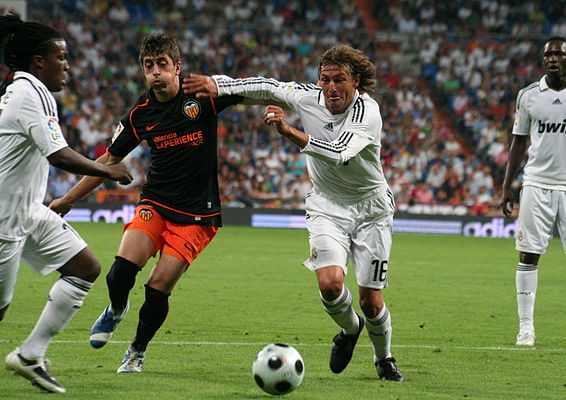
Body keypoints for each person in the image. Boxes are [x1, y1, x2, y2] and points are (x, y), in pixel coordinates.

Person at [183, 44, 404, 381]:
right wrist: (220, 85)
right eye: (325, 80)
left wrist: (289, 132)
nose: (331, 88)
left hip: (371, 210)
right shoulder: (308, 97)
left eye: (339, 80)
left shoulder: (367, 112)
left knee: (372, 301)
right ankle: (350, 328)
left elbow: (340, 153)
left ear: (355, 81)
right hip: (327, 206)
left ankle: (383, 357)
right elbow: (269, 86)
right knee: (330, 285)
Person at [49, 34, 244, 374]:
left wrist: (290, 102)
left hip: (198, 215)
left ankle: (137, 350)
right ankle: (116, 308)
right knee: (119, 272)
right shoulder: (140, 113)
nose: (155, 72)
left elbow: (253, 91)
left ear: (177, 67)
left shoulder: (203, 95)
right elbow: (108, 158)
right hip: (156, 201)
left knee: (157, 288)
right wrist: (68, 199)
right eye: (148, 66)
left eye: (162, 65)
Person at [0, 15, 132, 393]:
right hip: (5, 218)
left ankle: (29, 355)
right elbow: (58, 155)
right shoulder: (32, 92)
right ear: (39, 61)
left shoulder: (20, 88)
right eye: (61, 57)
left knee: (84, 266)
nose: (68, 66)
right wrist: (109, 171)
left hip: (27, 210)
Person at [501, 36, 566, 348]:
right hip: (537, 184)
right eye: (548, 55)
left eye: (559, 54)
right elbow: (518, 141)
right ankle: (526, 329)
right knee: (528, 255)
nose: (553, 59)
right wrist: (507, 185)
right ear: (542, 60)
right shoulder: (528, 96)